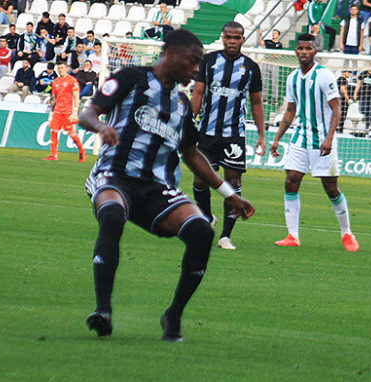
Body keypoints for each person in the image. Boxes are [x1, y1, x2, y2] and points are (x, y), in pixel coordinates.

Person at [78, 29, 255, 341]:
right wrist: (100, 125)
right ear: (172, 54)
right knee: (111, 214)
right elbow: (88, 112)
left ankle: (173, 315)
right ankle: (102, 310)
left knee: (202, 231)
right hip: (114, 174)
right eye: (193, 61)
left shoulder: (182, 105)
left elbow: (191, 153)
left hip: (156, 188)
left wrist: (229, 195)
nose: (196, 69)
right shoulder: (131, 78)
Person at [270, 33, 359, 252]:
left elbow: (336, 109)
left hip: (322, 139)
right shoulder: (292, 78)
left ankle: (347, 233)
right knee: (291, 180)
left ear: (314, 52)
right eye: (300, 48)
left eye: (308, 48)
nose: (303, 52)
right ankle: (293, 235)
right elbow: (290, 111)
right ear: (296, 51)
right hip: (300, 136)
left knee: (331, 188)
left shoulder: (324, 75)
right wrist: (277, 138)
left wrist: (330, 137)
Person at [190, 21, 266, 251]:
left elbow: (256, 102)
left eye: (237, 38)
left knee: (233, 183)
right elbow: (199, 92)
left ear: (243, 39)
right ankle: (206, 216)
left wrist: (262, 134)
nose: (232, 41)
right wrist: (188, 122)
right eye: (229, 37)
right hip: (207, 132)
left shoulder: (251, 67)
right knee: (199, 179)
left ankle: (225, 236)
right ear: (223, 37)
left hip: (234, 135)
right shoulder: (209, 61)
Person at [44, 62, 85, 162]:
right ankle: (54, 155)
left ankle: (81, 150)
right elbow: (53, 98)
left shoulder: (72, 81)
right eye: (58, 68)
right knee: (53, 131)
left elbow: (76, 96)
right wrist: (51, 110)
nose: (60, 70)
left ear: (66, 68)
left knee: (72, 134)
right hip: (58, 111)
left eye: (62, 68)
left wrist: (75, 111)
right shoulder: (55, 82)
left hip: (68, 111)